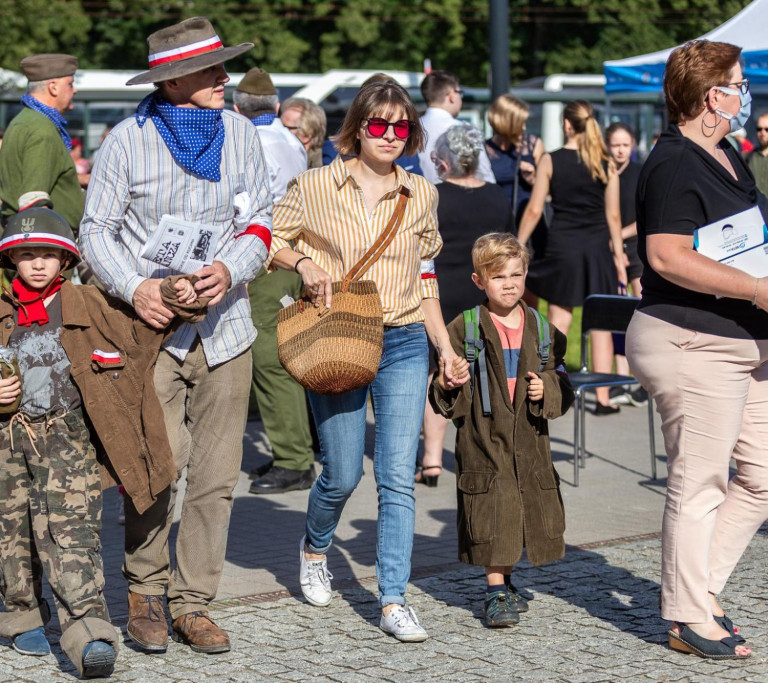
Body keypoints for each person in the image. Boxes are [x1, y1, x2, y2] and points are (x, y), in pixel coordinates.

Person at [82, 16, 271, 655]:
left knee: (217, 477)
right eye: (210, 69)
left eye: (222, 66)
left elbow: (261, 219)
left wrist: (231, 269)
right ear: (170, 81)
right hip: (150, 333)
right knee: (153, 468)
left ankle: (193, 603)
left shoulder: (241, 134)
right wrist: (136, 287)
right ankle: (144, 593)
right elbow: (95, 231)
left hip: (226, 329)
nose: (224, 77)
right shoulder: (126, 141)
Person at [0, 208, 197, 679]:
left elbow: (145, 328)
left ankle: (88, 634)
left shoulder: (87, 302)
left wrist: (173, 294)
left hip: (67, 439)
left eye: (47, 254)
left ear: (65, 259)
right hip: (5, 442)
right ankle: (22, 616)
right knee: (11, 535)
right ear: (11, 260)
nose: (37, 263)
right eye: (27, 255)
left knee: (73, 538)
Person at [269, 80, 468, 642]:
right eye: (378, 124)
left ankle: (393, 598)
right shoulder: (313, 185)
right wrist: (303, 263)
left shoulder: (420, 194)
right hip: (336, 337)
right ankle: (315, 548)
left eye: (401, 126)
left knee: (397, 476)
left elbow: (425, 278)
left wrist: (444, 347)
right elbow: (268, 240)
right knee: (341, 472)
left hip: (403, 339)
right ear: (357, 128)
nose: (389, 135)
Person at [625, 39, 765, 661]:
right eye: (739, 83)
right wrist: (758, 290)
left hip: (744, 342)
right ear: (714, 96)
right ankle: (686, 615)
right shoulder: (674, 162)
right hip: (693, 340)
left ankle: (700, 591)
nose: (746, 93)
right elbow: (665, 255)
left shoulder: (728, 154)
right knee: (701, 481)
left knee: (761, 478)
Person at [430, 232, 573, 628]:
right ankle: (495, 591)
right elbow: (443, 389)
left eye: (516, 274)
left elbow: (563, 377)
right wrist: (448, 381)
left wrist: (549, 388)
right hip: (483, 439)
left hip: (529, 439)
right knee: (493, 510)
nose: (509, 284)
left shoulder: (542, 328)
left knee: (517, 510)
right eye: (498, 277)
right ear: (479, 281)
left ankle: (505, 583)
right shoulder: (465, 328)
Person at [232, 67, 315, 494]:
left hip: (266, 259)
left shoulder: (244, 142)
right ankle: (295, 452)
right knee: (284, 357)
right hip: (294, 257)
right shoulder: (290, 140)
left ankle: (294, 460)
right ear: (278, 106)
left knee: (270, 360)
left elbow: (244, 210)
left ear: (236, 108)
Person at [418, 125, 515, 487]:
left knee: (439, 370)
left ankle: (431, 459)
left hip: (440, 292)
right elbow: (508, 246)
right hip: (483, 293)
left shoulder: (433, 196)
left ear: (444, 161)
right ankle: (488, 453)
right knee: (486, 372)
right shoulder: (497, 196)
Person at [517, 100, 627, 415]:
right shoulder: (605, 163)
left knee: (559, 320)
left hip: (562, 246)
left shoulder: (550, 160)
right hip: (597, 249)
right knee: (600, 325)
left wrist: (518, 245)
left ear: (566, 125)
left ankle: (547, 390)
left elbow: (535, 209)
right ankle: (603, 399)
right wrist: (619, 259)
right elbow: (614, 216)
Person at [0, 54, 83, 238]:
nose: (74, 90)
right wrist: (45, 249)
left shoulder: (27, 120)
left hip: (27, 236)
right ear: (53, 87)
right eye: (70, 84)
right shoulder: (42, 130)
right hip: (43, 240)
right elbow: (34, 200)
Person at [605, 122, 649, 408]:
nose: (620, 150)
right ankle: (620, 377)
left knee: (642, 311)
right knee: (616, 314)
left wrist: (618, 236)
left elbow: (646, 215)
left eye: (625, 145)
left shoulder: (639, 173)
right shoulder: (603, 173)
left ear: (632, 145)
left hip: (634, 247)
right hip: (609, 250)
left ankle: (643, 380)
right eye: (615, 145)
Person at [417, 70, 495, 186]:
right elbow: (484, 175)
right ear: (452, 95)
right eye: (460, 92)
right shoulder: (465, 131)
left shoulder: (411, 128)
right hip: (459, 194)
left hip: (419, 195)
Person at [485, 94, 546, 223]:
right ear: (507, 124)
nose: (524, 128)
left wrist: (532, 179)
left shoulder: (532, 144)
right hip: (497, 221)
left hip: (528, 221)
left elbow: (549, 189)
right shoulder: (484, 151)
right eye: (520, 123)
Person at [279, 97, 327, 169]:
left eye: (285, 127)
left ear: (306, 135)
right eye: (277, 125)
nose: (277, 130)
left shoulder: (319, 169)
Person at [745, 111, 768, 197]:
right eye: (759, 129)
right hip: (753, 204)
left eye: (767, 129)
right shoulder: (746, 158)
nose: (762, 133)